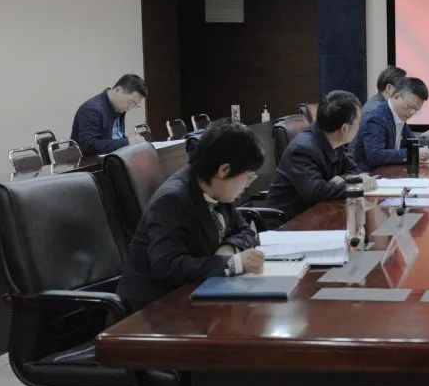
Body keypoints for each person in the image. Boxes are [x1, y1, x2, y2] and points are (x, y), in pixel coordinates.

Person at [117, 119, 265, 311]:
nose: (249, 184)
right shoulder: (172, 200)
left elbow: (245, 231)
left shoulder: (218, 189)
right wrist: (231, 264)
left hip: (196, 295)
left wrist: (228, 249)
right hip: (153, 310)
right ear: (224, 170)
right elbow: (167, 267)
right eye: (249, 176)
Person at [266, 90, 377, 220]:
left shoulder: (333, 139)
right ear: (345, 128)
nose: (359, 127)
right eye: (358, 123)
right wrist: (355, 185)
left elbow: (352, 170)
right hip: (289, 222)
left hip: (317, 214)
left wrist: (344, 179)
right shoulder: (302, 149)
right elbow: (316, 191)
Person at [351, 76, 429, 172]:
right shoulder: (376, 118)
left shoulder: (399, 116)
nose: (412, 113)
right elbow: (375, 155)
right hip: (369, 175)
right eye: (411, 107)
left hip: (389, 172)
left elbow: (411, 142)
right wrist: (413, 153)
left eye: (416, 110)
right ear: (396, 96)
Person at [70, 74, 147, 155]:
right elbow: (89, 146)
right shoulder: (91, 109)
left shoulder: (118, 107)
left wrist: (134, 141)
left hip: (112, 157)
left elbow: (116, 137)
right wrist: (127, 141)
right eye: (131, 102)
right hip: (89, 161)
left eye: (135, 105)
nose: (130, 107)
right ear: (118, 90)